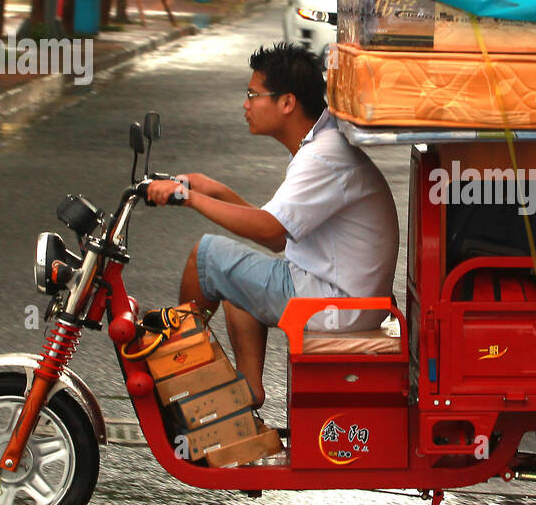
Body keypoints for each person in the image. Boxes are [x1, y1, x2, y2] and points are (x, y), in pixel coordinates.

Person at [146, 42, 399, 407]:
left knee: (207, 258)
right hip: (341, 297)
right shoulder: (321, 147)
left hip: (336, 305)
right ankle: (248, 392)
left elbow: (268, 229)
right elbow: (278, 236)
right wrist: (212, 188)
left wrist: (190, 197)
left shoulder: (323, 157)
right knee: (237, 285)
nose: (246, 105)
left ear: (287, 103)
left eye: (253, 94)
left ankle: (185, 372)